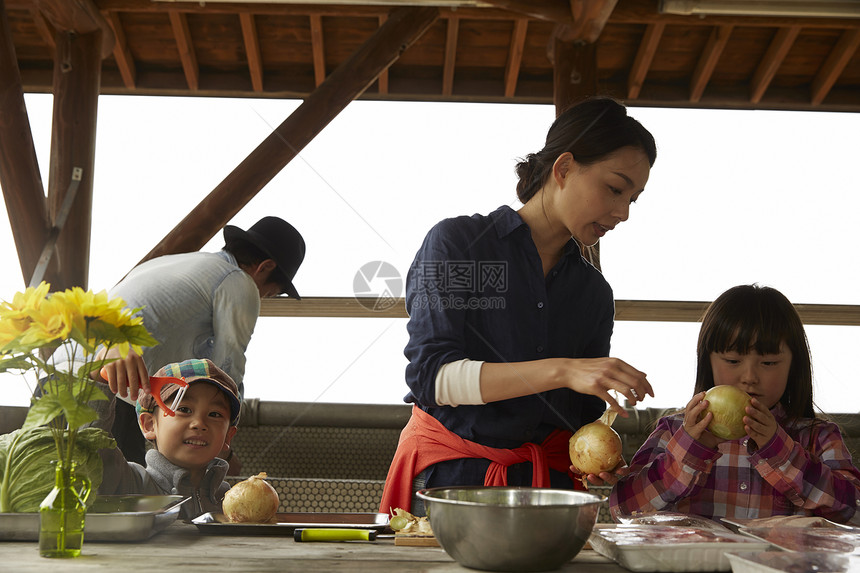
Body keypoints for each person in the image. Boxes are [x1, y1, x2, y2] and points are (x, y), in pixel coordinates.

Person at [379, 97, 657, 515]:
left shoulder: (593, 293)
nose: (623, 212)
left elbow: (580, 419)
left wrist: (593, 458)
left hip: (549, 497)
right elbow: (432, 378)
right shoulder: (461, 245)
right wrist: (563, 369)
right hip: (449, 487)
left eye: (633, 199)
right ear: (563, 169)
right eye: (615, 189)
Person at [55, 215, 305, 469]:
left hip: (57, 375)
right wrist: (224, 447)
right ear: (265, 267)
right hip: (111, 388)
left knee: (41, 491)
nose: (263, 298)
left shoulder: (177, 263)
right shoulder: (239, 280)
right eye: (270, 293)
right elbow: (227, 371)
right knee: (119, 500)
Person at [611, 284, 860, 524]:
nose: (749, 377)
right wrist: (691, 451)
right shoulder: (675, 432)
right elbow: (623, 510)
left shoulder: (818, 437)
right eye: (732, 360)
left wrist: (779, 451)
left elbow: (855, 511)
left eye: (769, 363)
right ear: (707, 361)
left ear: (793, 366)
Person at [98, 358, 241, 520]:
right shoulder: (130, 483)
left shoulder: (231, 502)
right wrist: (98, 376)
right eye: (184, 409)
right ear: (150, 425)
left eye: (214, 414)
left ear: (228, 436)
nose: (199, 424)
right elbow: (89, 447)